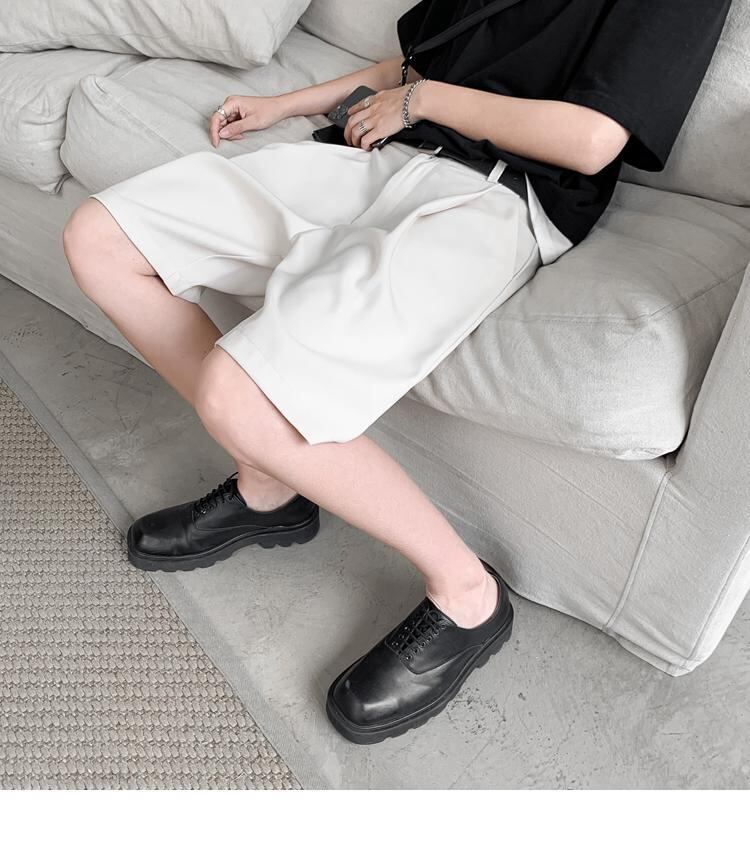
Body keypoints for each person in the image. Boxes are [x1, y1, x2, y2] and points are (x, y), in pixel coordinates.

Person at [62, 0, 732, 745]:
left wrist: (420, 102)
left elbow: (590, 140)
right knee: (101, 239)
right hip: (379, 156)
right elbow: (414, 67)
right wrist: (285, 104)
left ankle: (469, 595)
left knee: (238, 395)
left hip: (494, 199)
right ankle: (269, 485)